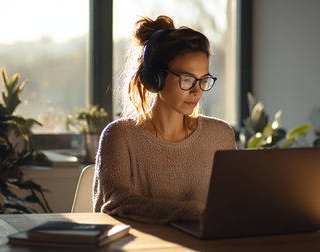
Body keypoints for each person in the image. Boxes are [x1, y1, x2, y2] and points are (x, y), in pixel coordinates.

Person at [93, 15, 236, 224]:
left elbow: (232, 204)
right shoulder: (119, 136)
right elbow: (119, 202)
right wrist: (191, 210)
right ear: (154, 79)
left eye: (203, 80)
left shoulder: (220, 135)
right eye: (187, 79)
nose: (197, 91)